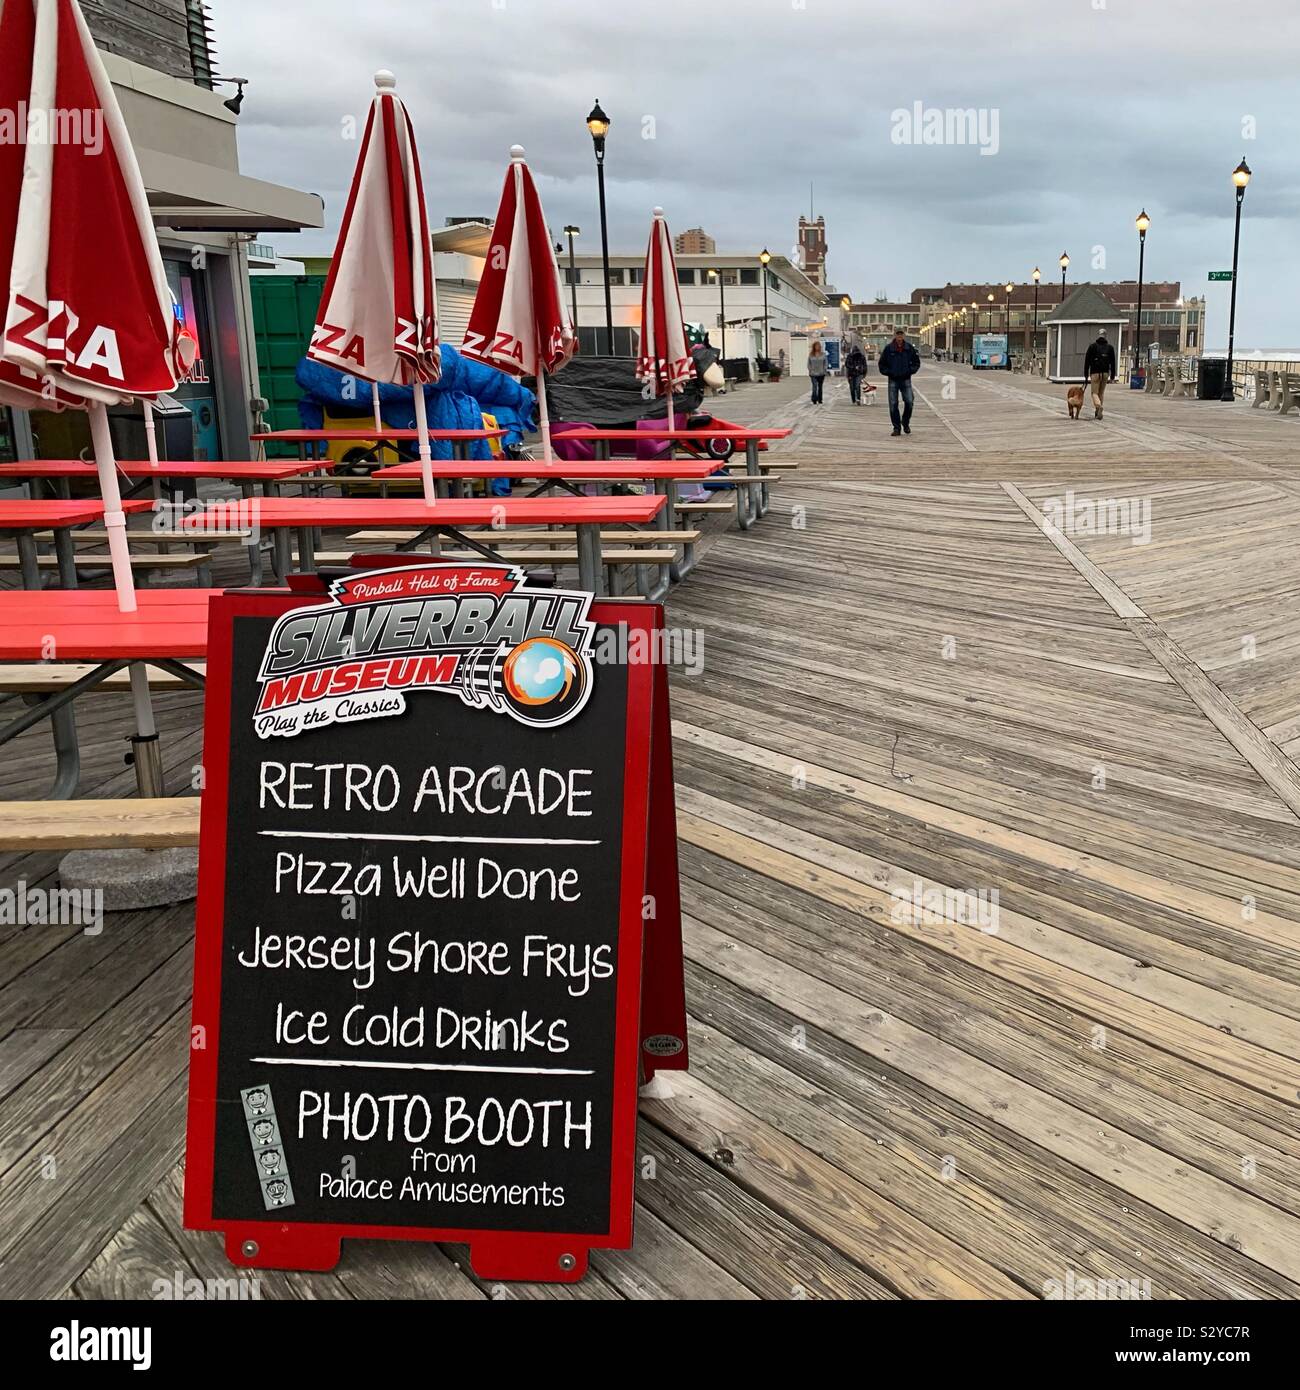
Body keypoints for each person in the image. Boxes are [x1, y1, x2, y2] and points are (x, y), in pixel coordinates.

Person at [878, 326, 920, 435]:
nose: (899, 336)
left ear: (903, 335)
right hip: (893, 379)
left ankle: (905, 422)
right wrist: (889, 372)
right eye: (898, 334)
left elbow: (916, 362)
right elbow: (882, 364)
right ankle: (896, 427)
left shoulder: (909, 348)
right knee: (893, 404)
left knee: (909, 402)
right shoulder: (888, 349)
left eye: (901, 334)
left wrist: (910, 371)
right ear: (895, 335)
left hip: (906, 379)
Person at [1082, 328, 1117, 419]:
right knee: (1101, 393)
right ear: (1105, 336)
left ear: (1098, 335)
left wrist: (1086, 374)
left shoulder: (1092, 347)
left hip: (1095, 373)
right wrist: (1112, 375)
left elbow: (1087, 361)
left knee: (1094, 393)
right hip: (1105, 373)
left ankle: (1098, 406)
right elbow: (1113, 362)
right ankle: (1097, 412)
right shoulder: (1110, 348)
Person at [808, 339, 827, 404]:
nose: (817, 347)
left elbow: (825, 363)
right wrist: (810, 370)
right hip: (813, 373)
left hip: (821, 373)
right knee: (814, 386)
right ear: (814, 347)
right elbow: (808, 363)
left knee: (820, 387)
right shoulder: (811, 355)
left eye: (818, 346)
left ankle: (820, 399)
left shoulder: (823, 354)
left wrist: (824, 370)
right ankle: (814, 399)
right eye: (816, 346)